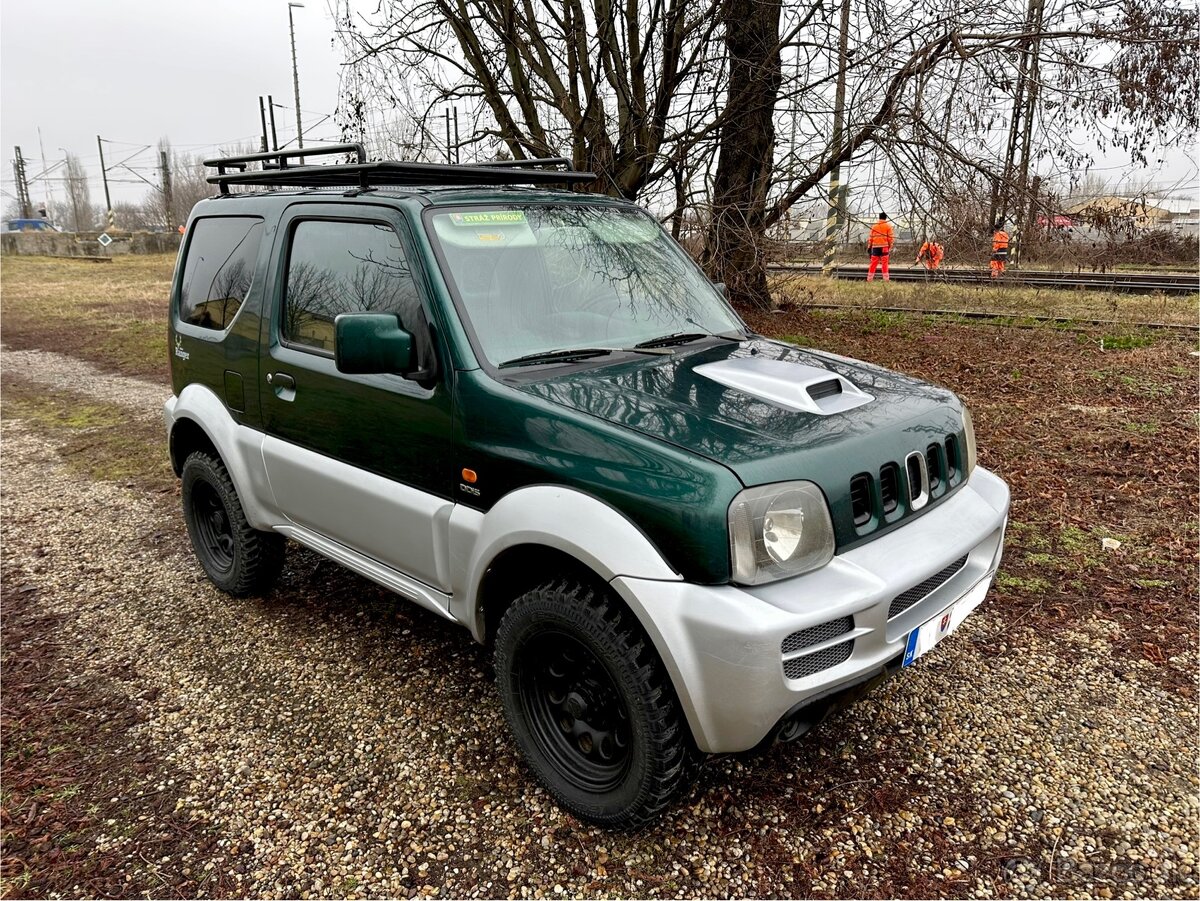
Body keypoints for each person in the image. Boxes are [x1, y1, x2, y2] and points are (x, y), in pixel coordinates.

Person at [866, 213, 895, 282]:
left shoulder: (874, 226)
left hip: (875, 247)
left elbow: (870, 238)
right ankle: (886, 279)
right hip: (884, 247)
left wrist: (869, 247)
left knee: (873, 263)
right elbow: (890, 238)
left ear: (879, 218)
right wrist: (890, 246)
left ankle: (869, 279)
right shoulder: (888, 226)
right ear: (886, 218)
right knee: (884, 263)